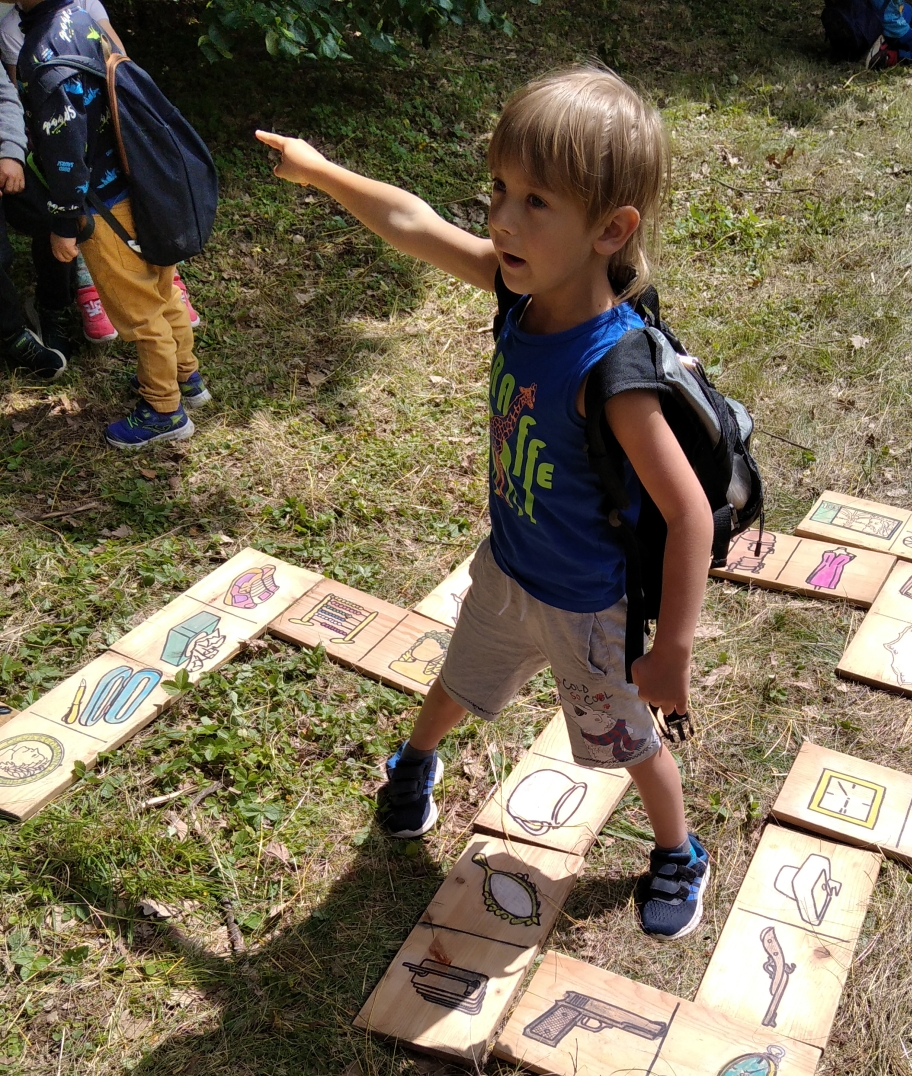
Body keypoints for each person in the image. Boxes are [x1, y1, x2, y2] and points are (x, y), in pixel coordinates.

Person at [258, 65, 717, 941]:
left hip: (588, 607)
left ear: (609, 230)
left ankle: (676, 852)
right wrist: (319, 171)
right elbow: (412, 223)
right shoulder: (520, 293)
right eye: (499, 189)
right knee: (460, 679)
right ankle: (415, 761)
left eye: (535, 201)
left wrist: (671, 653)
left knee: (628, 743)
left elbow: (688, 513)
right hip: (508, 568)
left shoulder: (614, 370)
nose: (501, 218)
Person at [13, 0, 209, 445]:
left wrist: (65, 224)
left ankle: (164, 410)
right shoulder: (80, 19)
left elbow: (65, 154)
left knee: (138, 313)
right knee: (162, 289)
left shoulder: (44, 55)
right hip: (138, 183)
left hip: (103, 206)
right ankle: (187, 376)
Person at [0, 63, 70, 375]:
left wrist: (11, 153)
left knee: (54, 214)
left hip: (4, 157)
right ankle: (11, 334)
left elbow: (5, 98)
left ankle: (52, 307)